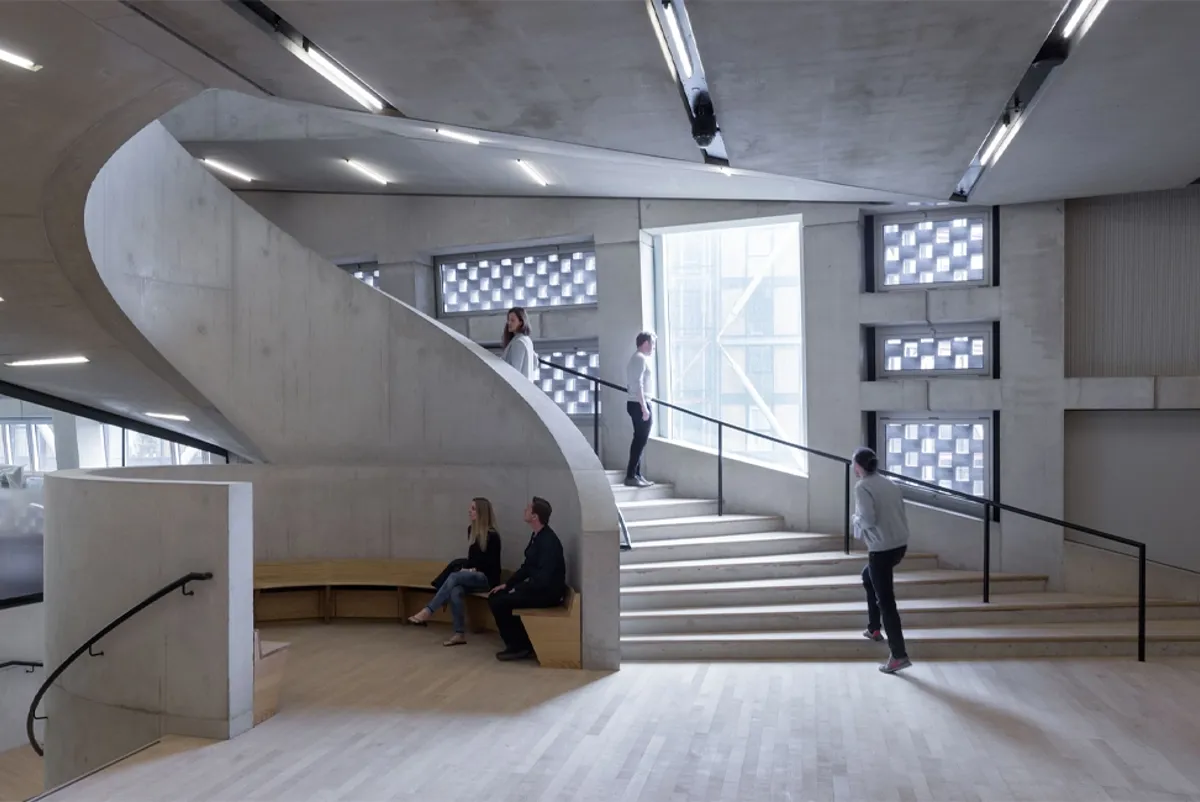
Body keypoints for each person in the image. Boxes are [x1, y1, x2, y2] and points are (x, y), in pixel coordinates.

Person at [407, 498, 502, 646]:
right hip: (472, 576)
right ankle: (459, 634)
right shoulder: (471, 530)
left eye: (473, 508)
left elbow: (491, 565)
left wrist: (471, 570)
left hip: (487, 579)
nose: (469, 511)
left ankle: (428, 611)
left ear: (482, 512)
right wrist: (469, 569)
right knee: (455, 590)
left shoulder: (493, 536)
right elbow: (472, 559)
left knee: (454, 577)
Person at [851, 446, 912, 674]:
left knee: (887, 602)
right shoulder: (889, 483)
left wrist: (854, 520)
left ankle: (899, 655)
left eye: (853, 463)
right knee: (868, 577)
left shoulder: (863, 487)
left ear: (858, 466)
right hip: (899, 545)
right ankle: (874, 628)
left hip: (881, 549)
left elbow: (867, 520)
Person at [487, 496, 567, 661]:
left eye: (528, 509)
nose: (524, 510)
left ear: (535, 516)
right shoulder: (537, 536)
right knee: (496, 596)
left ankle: (520, 646)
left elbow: (543, 579)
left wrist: (518, 588)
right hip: (538, 589)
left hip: (547, 594)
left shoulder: (548, 542)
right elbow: (527, 567)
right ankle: (518, 642)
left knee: (500, 602)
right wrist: (508, 584)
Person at [624, 331, 656, 488]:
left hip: (638, 403)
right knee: (640, 440)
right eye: (653, 344)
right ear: (645, 343)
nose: (653, 348)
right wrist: (644, 407)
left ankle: (636, 473)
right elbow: (637, 384)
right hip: (638, 403)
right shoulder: (639, 359)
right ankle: (631, 474)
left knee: (640, 440)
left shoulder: (638, 359)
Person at [500, 306, 536, 380]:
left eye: (512, 320)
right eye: (508, 320)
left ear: (521, 322)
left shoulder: (518, 342)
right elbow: (535, 362)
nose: (509, 323)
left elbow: (514, 372)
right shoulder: (526, 339)